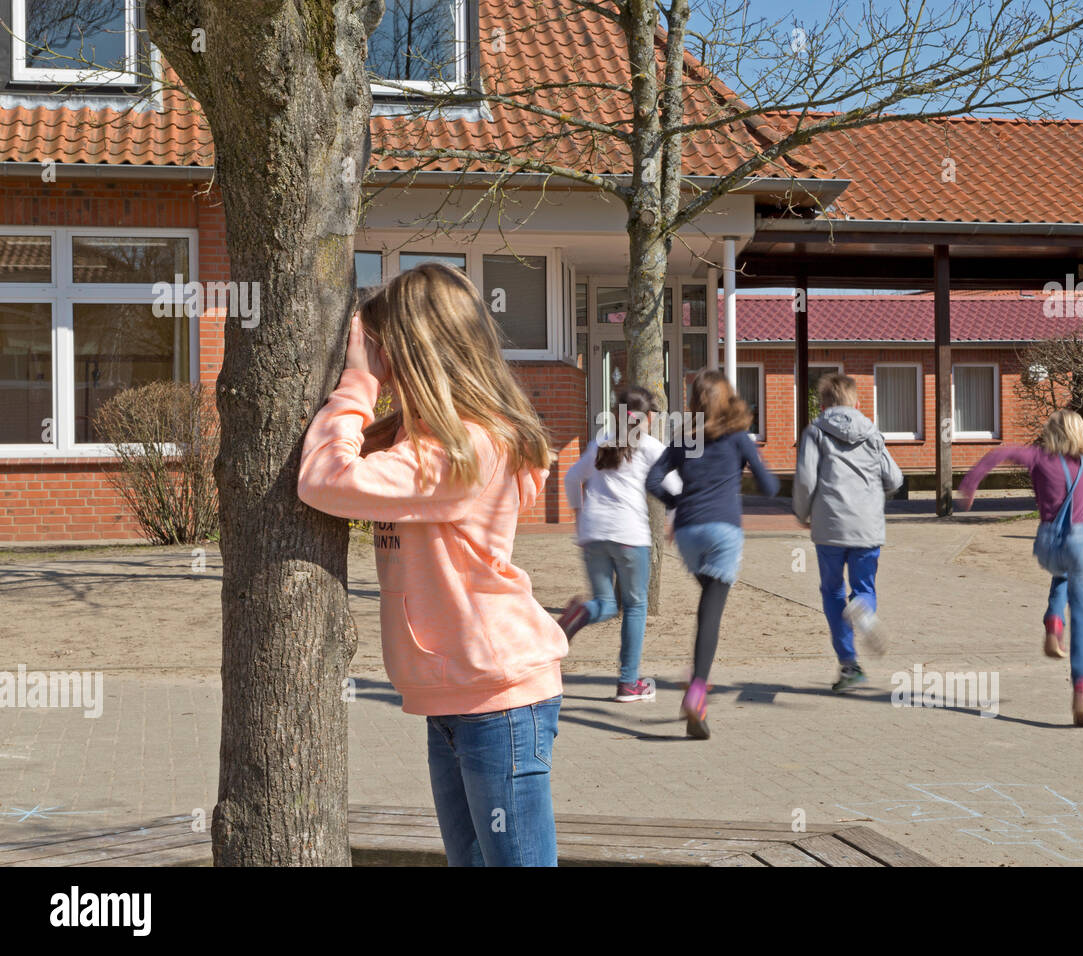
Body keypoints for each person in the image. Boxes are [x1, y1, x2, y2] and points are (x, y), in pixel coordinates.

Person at [298, 262, 568, 865]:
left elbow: (322, 480)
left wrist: (356, 385)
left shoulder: (462, 448)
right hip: (456, 696)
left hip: (497, 697)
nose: (377, 362)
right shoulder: (425, 443)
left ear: (416, 350)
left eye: (384, 348)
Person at [958, 408, 1083, 727]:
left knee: (1062, 569)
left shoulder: (1037, 457)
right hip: (1082, 542)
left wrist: (969, 486)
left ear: (1050, 433)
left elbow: (997, 454)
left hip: (1047, 543)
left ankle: (1054, 620)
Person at [646, 369, 779, 739]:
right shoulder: (738, 438)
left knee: (709, 600)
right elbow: (769, 486)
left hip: (688, 533)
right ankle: (697, 689)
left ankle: (696, 685)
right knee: (710, 616)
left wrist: (681, 502)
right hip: (723, 531)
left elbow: (653, 480)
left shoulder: (684, 440)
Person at [559, 386, 681, 702]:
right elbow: (675, 487)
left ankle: (582, 613)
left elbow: (572, 478)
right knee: (635, 606)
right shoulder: (652, 447)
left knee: (606, 603)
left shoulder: (601, 442)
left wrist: (577, 512)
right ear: (648, 417)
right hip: (629, 536)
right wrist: (675, 521)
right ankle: (628, 683)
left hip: (593, 532)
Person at [792, 374, 903, 692]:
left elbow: (805, 481)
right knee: (864, 588)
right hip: (867, 527)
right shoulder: (872, 434)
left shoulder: (815, 432)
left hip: (830, 527)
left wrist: (802, 513)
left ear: (823, 404)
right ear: (857, 403)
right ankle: (864, 611)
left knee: (832, 592)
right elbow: (894, 478)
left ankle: (849, 665)